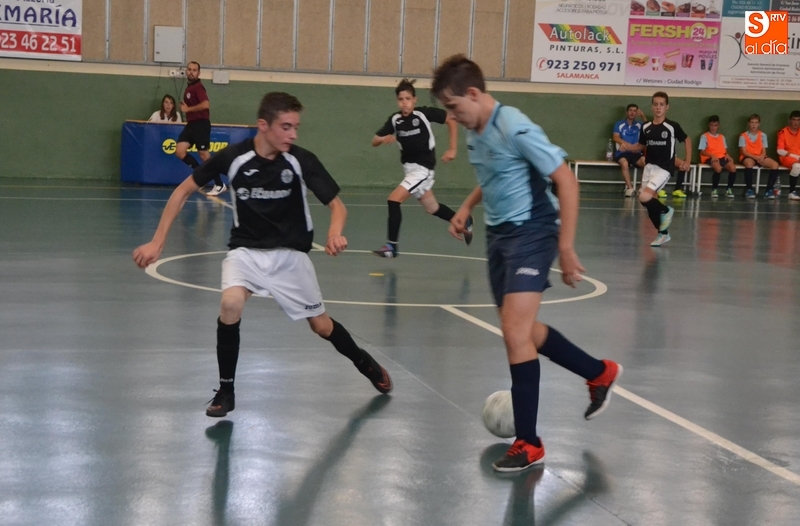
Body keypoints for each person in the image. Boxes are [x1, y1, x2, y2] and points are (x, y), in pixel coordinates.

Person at [132, 92, 393, 418]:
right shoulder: (234, 157)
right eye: (286, 127)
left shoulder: (301, 160)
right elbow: (183, 191)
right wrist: (157, 242)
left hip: (290, 256)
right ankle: (226, 391)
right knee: (230, 304)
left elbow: (337, 206)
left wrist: (334, 233)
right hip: (247, 252)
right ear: (263, 125)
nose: (293, 134)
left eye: (296, 127)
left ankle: (364, 362)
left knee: (321, 326)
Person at [431, 54, 622, 473]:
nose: (452, 117)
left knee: (515, 332)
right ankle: (599, 372)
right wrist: (466, 207)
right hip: (499, 236)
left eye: (453, 107)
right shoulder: (476, 132)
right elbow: (493, 174)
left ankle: (529, 443)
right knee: (521, 330)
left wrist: (566, 247)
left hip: (533, 231)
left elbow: (566, 180)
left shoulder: (514, 126)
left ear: (474, 94)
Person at [371, 78, 472, 258]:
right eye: (401, 99)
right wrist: (382, 139)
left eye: (408, 99)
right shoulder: (395, 120)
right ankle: (463, 221)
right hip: (409, 170)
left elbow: (451, 119)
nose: (405, 103)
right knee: (432, 208)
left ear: (414, 100)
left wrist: (452, 148)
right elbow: (374, 140)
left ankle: (391, 246)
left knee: (393, 200)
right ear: (397, 101)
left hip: (423, 169)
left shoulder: (423, 114)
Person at [633, 92, 691, 247]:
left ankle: (666, 210)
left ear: (667, 107)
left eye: (661, 104)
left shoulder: (672, 126)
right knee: (647, 201)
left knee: (644, 196)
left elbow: (687, 140)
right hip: (649, 167)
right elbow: (640, 146)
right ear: (652, 107)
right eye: (656, 104)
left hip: (664, 167)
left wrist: (687, 160)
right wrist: (628, 147)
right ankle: (663, 233)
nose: (658, 107)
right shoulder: (646, 127)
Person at [177, 61, 226, 196]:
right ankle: (201, 177)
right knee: (180, 151)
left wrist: (188, 109)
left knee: (204, 155)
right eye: (189, 69)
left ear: (198, 73)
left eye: (194, 70)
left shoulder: (198, 87)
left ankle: (219, 184)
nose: (191, 72)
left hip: (201, 124)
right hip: (191, 125)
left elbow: (205, 104)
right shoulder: (189, 88)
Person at [698, 115, 746, 199]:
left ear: (718, 126)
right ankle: (714, 189)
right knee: (718, 168)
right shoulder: (704, 136)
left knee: (733, 168)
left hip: (722, 156)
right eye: (712, 125)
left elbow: (725, 150)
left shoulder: (721, 137)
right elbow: (702, 151)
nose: (713, 127)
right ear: (709, 125)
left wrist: (728, 155)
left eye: (715, 125)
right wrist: (712, 155)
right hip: (710, 157)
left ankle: (729, 189)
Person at [739, 114, 780, 199]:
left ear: (759, 124)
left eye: (756, 122)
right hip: (748, 156)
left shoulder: (763, 135)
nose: (754, 125)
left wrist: (761, 157)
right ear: (748, 124)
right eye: (752, 122)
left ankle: (768, 190)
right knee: (749, 164)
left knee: (775, 165)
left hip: (760, 156)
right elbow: (744, 152)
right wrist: (756, 158)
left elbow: (764, 151)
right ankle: (749, 189)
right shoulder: (743, 136)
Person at [612, 104, 645, 197]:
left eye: (635, 111)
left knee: (646, 163)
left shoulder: (639, 125)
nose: (632, 113)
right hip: (622, 152)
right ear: (627, 112)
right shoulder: (619, 124)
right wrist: (629, 146)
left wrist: (643, 116)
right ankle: (630, 188)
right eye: (630, 110)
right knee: (624, 163)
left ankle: (642, 189)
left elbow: (650, 128)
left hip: (636, 153)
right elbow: (615, 137)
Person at [777, 110, 800, 200]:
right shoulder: (783, 132)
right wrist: (797, 157)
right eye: (794, 120)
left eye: (798, 120)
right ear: (790, 120)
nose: (796, 122)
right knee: (797, 166)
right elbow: (780, 150)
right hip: (787, 157)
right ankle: (791, 192)